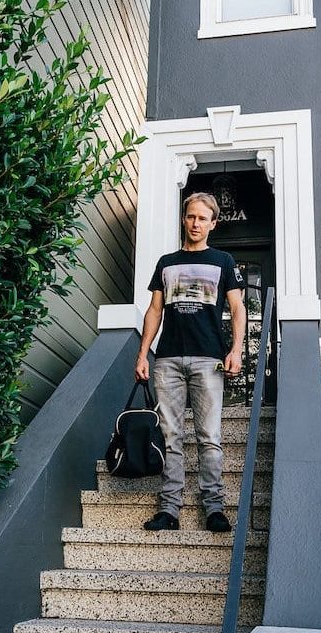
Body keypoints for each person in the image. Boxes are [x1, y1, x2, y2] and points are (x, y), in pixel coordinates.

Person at [134, 192, 246, 532]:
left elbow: (238, 308)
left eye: (203, 218)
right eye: (191, 217)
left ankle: (214, 509)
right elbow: (155, 310)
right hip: (167, 360)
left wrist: (237, 349)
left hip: (208, 359)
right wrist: (143, 354)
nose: (196, 223)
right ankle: (169, 511)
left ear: (213, 223)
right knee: (171, 437)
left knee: (209, 436)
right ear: (184, 219)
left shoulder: (224, 261)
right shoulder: (166, 263)